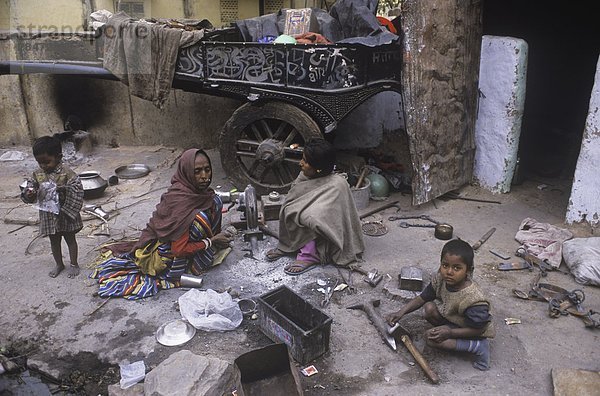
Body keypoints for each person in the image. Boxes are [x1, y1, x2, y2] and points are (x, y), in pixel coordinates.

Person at [92, 149, 233, 299]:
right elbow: (178, 250)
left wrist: (216, 237)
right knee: (199, 219)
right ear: (186, 172)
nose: (204, 176)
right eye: (197, 171)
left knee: (215, 200)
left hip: (189, 241)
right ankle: (191, 262)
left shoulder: (202, 194)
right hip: (170, 254)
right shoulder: (180, 201)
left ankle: (209, 244)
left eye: (207, 170)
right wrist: (212, 241)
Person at [385, 239, 495, 370]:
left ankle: (478, 346)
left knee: (430, 339)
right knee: (428, 308)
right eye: (445, 265)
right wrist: (400, 313)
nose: (449, 272)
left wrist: (450, 332)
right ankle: (450, 335)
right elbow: (422, 298)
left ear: (468, 271)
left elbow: (480, 329)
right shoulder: (441, 279)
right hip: (455, 320)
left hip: (473, 330)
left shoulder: (473, 299)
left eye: (457, 268)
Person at [266, 138, 364, 275]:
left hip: (324, 230)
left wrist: (306, 214)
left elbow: (327, 215)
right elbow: (294, 197)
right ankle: (290, 245)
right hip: (309, 208)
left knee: (311, 218)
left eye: (305, 162)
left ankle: (310, 255)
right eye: (303, 159)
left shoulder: (337, 184)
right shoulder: (305, 175)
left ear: (318, 169)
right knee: (289, 210)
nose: (301, 163)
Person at [21, 136, 84, 278]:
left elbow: (77, 188)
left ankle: (74, 264)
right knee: (54, 240)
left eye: (47, 162)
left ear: (59, 157)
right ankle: (59, 264)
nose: (43, 166)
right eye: (39, 162)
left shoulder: (66, 172)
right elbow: (31, 185)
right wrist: (30, 192)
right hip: (48, 214)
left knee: (70, 239)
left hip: (65, 212)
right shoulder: (38, 174)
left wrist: (62, 189)